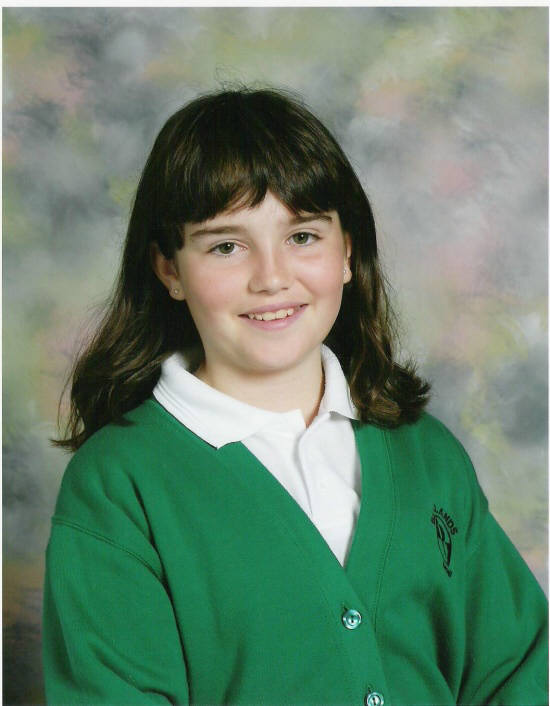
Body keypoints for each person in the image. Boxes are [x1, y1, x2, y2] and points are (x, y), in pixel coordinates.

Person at [43, 88, 547, 706]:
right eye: (226, 246)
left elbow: (518, 672)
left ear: (347, 251)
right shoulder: (118, 486)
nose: (272, 277)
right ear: (170, 269)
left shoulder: (426, 454)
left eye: (303, 236)